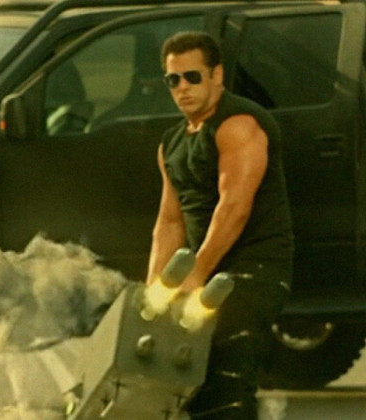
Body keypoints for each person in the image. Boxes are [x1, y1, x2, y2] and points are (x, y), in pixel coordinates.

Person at [146, 31, 294, 419]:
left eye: (192, 77)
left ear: (217, 75)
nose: (182, 87)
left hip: (252, 270)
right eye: (173, 79)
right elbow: (169, 221)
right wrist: (153, 292)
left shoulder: (238, 124)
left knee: (226, 382)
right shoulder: (171, 142)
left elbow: (234, 207)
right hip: (207, 270)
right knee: (191, 382)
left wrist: (197, 272)